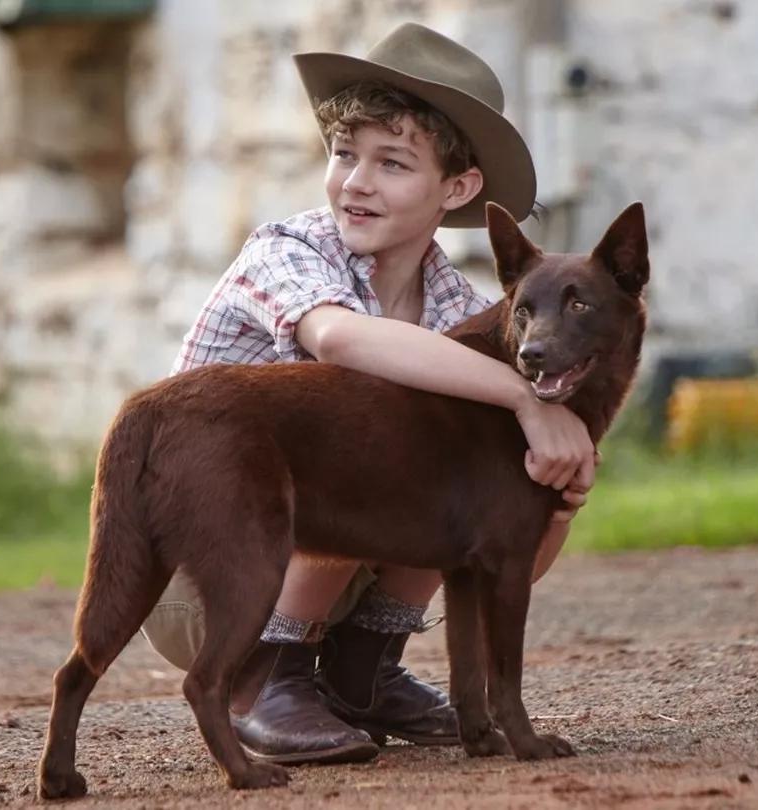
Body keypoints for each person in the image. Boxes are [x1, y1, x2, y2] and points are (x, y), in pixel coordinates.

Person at [139, 22, 595, 765]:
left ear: (457, 188)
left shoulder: (457, 310)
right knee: (363, 426)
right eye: (344, 155)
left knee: (459, 466)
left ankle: (364, 671)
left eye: (392, 163)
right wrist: (526, 400)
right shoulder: (286, 250)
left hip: (327, 561)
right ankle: (264, 680)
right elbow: (343, 342)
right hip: (207, 577)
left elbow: (504, 550)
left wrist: (558, 498)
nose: (356, 181)